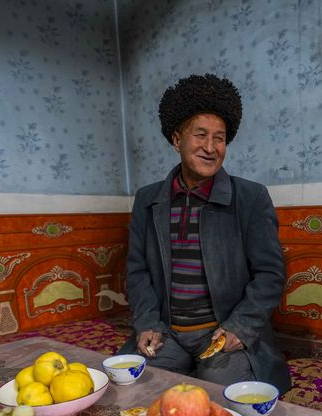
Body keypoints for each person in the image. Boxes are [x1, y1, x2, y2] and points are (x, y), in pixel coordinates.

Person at [122, 73, 291, 392]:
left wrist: (240, 326)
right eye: (200, 135)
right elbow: (137, 270)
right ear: (177, 140)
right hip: (167, 334)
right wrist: (147, 323)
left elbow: (270, 273)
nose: (211, 148)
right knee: (135, 388)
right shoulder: (148, 200)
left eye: (220, 138)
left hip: (221, 334)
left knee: (222, 398)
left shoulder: (250, 198)